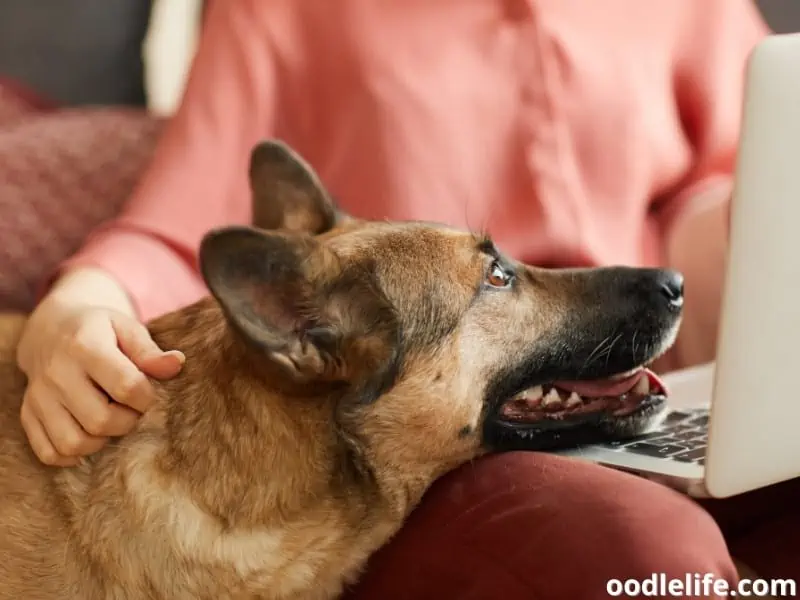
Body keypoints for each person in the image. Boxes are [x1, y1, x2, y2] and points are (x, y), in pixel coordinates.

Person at [15, 0, 798, 597]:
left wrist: (758, 231)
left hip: (671, 378)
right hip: (431, 429)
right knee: (654, 556)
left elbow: (715, 186)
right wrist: (79, 307)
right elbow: (180, 225)